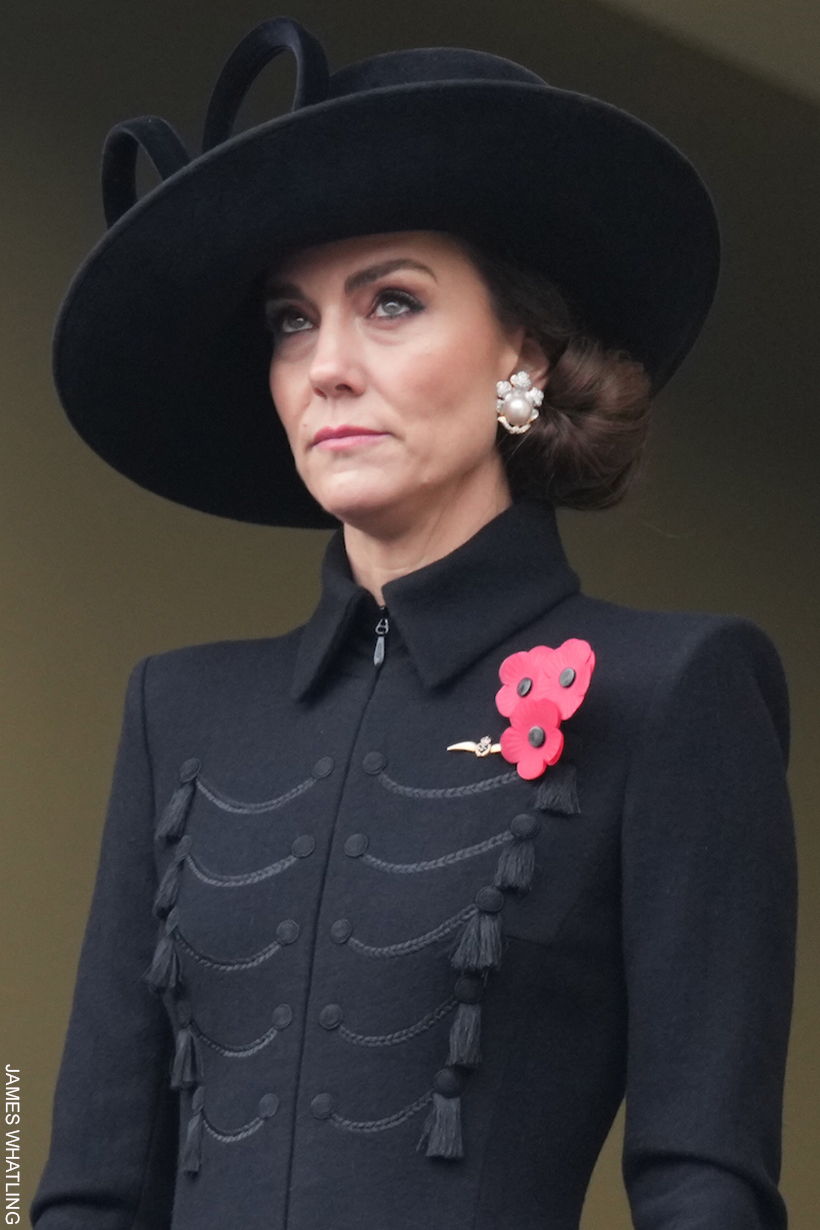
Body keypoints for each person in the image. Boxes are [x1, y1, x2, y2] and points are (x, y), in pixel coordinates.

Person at [30, 16, 796, 1230]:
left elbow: (703, 1184)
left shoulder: (674, 691)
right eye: (292, 319)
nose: (326, 364)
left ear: (523, 361)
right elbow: (81, 1189)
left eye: (391, 302)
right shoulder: (174, 711)